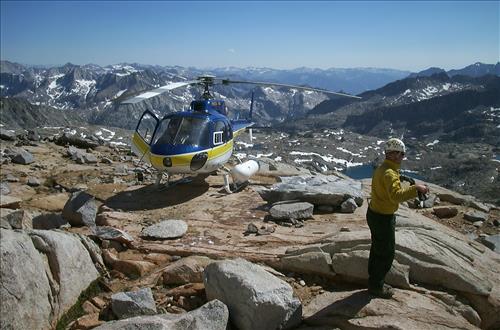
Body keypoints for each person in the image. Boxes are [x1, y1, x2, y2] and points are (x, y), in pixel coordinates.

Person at [367, 138, 429, 298]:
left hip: (374, 213)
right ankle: (376, 286)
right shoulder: (389, 173)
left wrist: (399, 178)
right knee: (386, 253)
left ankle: (374, 280)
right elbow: (395, 196)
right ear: (393, 155)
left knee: (377, 249)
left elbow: (387, 180)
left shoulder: (385, 169)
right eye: (401, 154)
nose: (402, 157)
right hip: (383, 218)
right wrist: (416, 189)